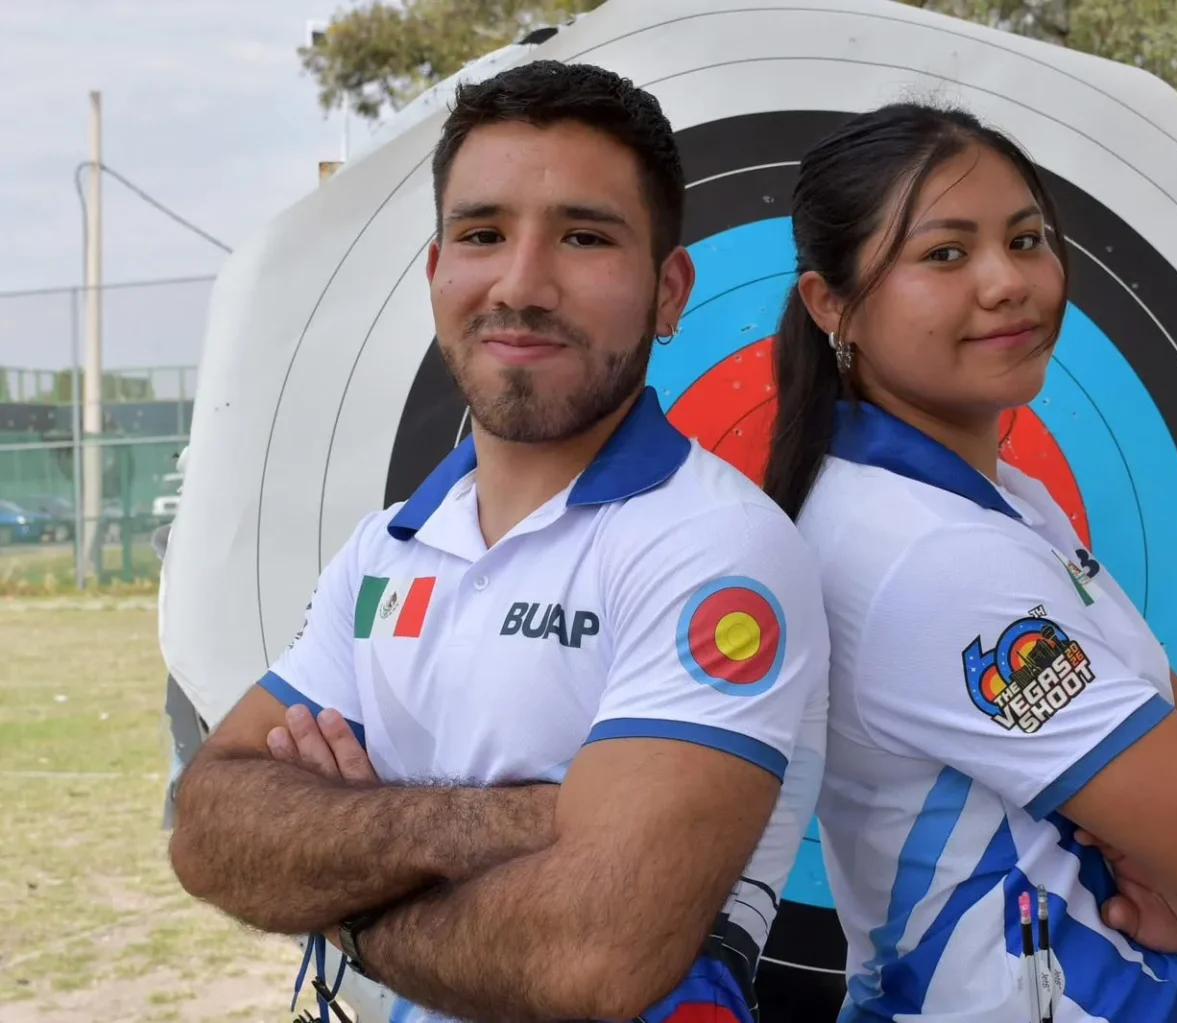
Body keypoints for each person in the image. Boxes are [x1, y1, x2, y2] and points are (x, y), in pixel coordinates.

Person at [168, 60, 829, 1023]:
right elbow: (207, 826)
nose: (521, 284)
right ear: (437, 274)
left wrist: (340, 890)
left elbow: (592, 957)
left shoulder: (714, 545)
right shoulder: (387, 547)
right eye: (483, 234)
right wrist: (508, 818)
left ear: (668, 290)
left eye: (584, 236)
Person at [761, 102, 1177, 1022]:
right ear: (832, 304)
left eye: (1026, 240)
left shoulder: (995, 496)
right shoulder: (925, 549)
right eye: (946, 253)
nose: (1008, 282)